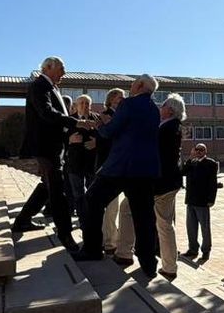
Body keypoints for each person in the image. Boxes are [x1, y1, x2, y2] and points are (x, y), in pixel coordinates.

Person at [72, 75, 161, 278]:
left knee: (91, 200)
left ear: (139, 85)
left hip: (121, 167)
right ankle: (149, 264)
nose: (130, 87)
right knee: (144, 217)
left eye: (132, 83)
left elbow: (111, 131)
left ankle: (92, 249)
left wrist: (99, 125)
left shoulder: (128, 104)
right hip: (146, 171)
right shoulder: (154, 110)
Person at [12, 57, 84, 251]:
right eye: (61, 68)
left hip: (53, 147)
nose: (64, 73)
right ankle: (65, 235)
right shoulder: (39, 85)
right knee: (57, 189)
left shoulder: (52, 87)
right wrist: (75, 122)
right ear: (48, 68)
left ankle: (22, 221)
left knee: (47, 185)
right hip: (44, 147)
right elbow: (46, 112)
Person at [154, 94, 187, 281]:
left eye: (163, 104)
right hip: (168, 182)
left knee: (164, 225)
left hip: (163, 183)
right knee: (164, 224)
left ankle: (169, 266)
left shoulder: (168, 128)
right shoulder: (169, 127)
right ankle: (168, 263)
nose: (160, 106)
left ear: (171, 110)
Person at [94, 88, 125, 255]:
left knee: (116, 208)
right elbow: (104, 140)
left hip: (120, 167)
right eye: (120, 97)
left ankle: (112, 237)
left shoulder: (120, 116)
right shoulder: (105, 115)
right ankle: (109, 243)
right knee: (111, 207)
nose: (123, 100)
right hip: (109, 166)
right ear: (111, 99)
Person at [181, 143, 219, 261]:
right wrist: (189, 159)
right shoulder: (192, 163)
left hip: (202, 201)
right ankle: (193, 249)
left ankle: (206, 250)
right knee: (191, 227)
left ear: (205, 151)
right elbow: (182, 172)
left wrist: (211, 199)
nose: (199, 152)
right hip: (191, 200)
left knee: (205, 228)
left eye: (201, 150)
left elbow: (213, 183)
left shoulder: (210, 164)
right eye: (197, 150)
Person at [65, 95, 99, 219]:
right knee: (78, 193)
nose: (85, 106)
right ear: (76, 105)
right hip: (75, 162)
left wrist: (97, 142)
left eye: (87, 103)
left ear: (90, 106)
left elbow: (106, 136)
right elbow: (59, 138)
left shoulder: (97, 119)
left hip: (92, 162)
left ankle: (90, 216)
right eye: (82, 103)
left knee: (92, 192)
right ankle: (82, 217)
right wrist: (69, 139)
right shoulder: (69, 120)